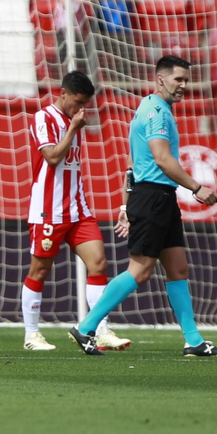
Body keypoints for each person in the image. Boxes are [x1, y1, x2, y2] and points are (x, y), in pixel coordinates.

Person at [71, 56, 217, 357]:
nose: (183, 85)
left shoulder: (154, 109)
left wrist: (125, 205)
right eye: (178, 79)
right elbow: (162, 159)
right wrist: (197, 188)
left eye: (186, 80)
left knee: (178, 268)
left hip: (159, 199)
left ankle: (193, 341)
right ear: (160, 79)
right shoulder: (156, 112)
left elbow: (131, 164)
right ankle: (87, 326)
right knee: (141, 270)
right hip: (153, 198)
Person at [20, 70, 130, 352]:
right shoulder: (44, 118)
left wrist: (74, 125)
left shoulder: (74, 120)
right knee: (40, 270)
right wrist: (72, 129)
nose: (81, 109)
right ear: (63, 94)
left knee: (99, 264)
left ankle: (99, 328)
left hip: (77, 208)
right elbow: (53, 158)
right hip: (48, 211)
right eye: (77, 102)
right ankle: (32, 335)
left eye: (85, 105)